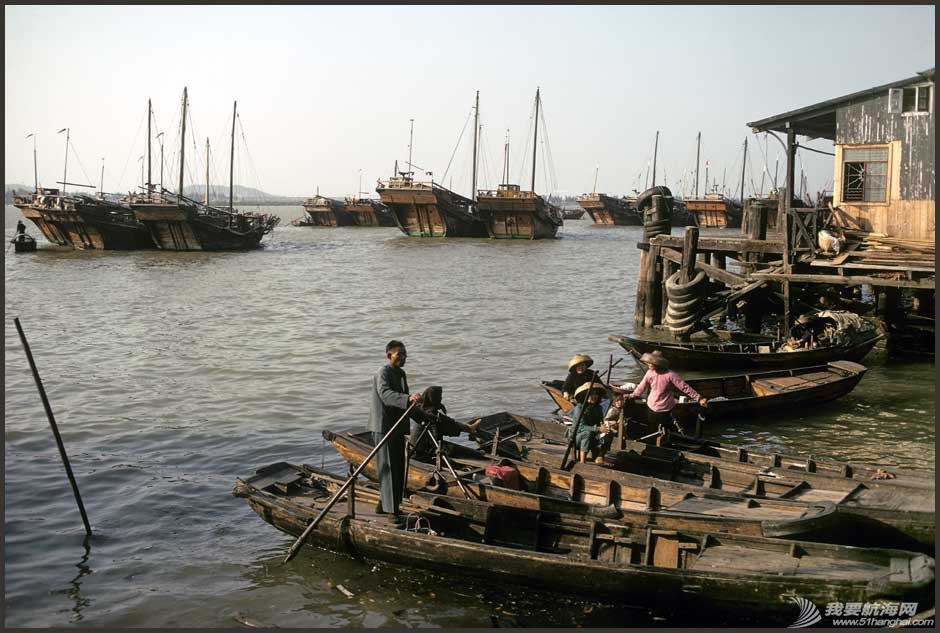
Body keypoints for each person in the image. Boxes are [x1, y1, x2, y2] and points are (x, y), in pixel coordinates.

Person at [368, 340, 422, 527]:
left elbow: (405, 404)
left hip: (397, 427)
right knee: (388, 467)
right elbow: (387, 395)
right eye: (400, 354)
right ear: (389, 355)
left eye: (405, 354)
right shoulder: (382, 373)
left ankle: (384, 503)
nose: (404, 357)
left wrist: (422, 415)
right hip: (384, 427)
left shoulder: (401, 374)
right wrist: (408, 398)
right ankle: (392, 512)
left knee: (397, 467)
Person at [625, 351, 706, 437]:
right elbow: (641, 387)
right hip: (652, 406)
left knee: (661, 428)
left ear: (657, 364)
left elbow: (684, 387)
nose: (648, 364)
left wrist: (699, 398)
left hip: (664, 408)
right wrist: (631, 396)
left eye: (650, 363)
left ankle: (662, 438)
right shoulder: (650, 373)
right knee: (655, 427)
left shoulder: (670, 375)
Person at [566, 382, 607, 464]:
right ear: (585, 396)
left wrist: (605, 427)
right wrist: (598, 429)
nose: (594, 397)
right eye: (591, 394)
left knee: (609, 434)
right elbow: (581, 427)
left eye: (596, 394)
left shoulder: (598, 408)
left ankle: (600, 456)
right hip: (576, 436)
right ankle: (582, 462)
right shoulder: (579, 408)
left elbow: (600, 422)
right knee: (587, 433)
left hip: (593, 435)